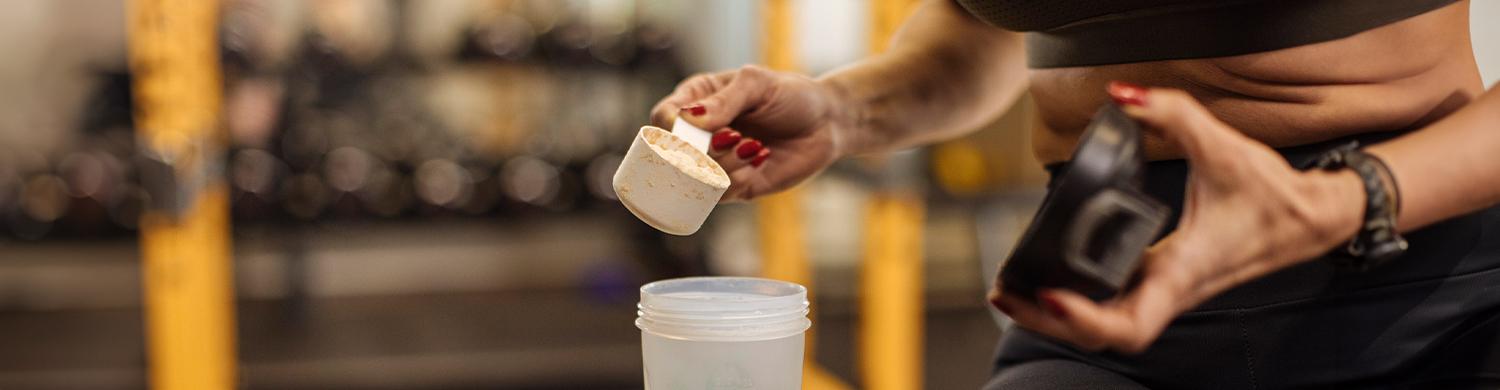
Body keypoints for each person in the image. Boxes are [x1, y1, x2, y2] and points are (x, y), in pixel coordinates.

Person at [650, 0, 1500, 388]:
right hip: (1098, 283)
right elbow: (989, 21)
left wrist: (1349, 199)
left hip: (1409, 269)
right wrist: (840, 110)